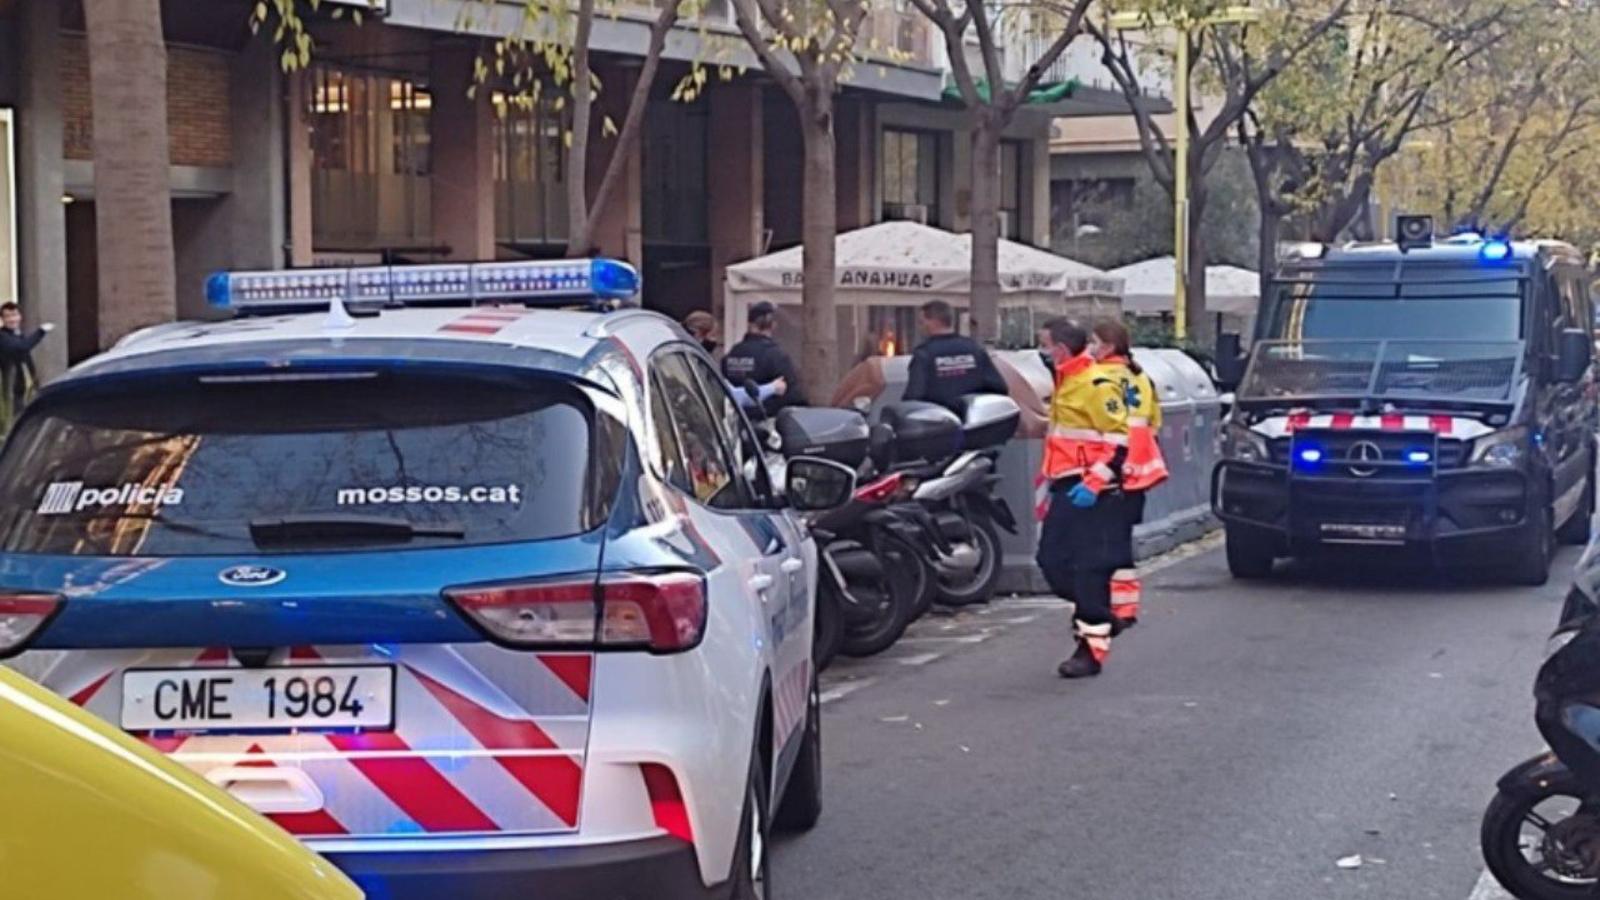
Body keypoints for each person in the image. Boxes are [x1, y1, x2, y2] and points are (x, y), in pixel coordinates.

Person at [1035, 317, 1133, 679]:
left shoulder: (1095, 384)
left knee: (1087, 571)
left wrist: (1096, 482)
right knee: (1053, 563)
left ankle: (1089, 649)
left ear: (1060, 349)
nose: (1042, 352)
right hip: (1067, 486)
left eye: (1044, 344)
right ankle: (1102, 616)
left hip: (1093, 491)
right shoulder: (1067, 382)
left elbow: (1122, 439)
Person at [1089, 319, 1169, 631]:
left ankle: (1101, 604)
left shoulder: (1096, 378)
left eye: (1094, 342)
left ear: (1107, 347)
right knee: (1122, 541)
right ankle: (1126, 607)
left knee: (1100, 541)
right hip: (1139, 472)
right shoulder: (1141, 377)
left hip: (1108, 470)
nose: (1091, 348)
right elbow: (1154, 422)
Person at [903, 300, 1009, 414]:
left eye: (922, 322)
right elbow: (1000, 387)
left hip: (940, 424)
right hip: (975, 422)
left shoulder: (924, 354)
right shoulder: (974, 348)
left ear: (933, 322)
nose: (920, 327)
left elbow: (913, 398)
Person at [722, 301, 807, 415]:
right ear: (773, 325)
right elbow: (792, 397)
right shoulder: (776, 356)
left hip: (733, 422)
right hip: (765, 422)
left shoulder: (732, 354)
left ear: (749, 323)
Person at [0, 303, 53, 433]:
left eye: (14, 315)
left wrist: (35, 381)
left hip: (25, 385)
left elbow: (27, 358)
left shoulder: (18, 335)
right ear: (2, 319)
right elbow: (22, 347)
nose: (12, 319)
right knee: (14, 422)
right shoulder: (3, 337)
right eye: (8, 316)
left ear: (20, 316)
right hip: (12, 389)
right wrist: (40, 331)